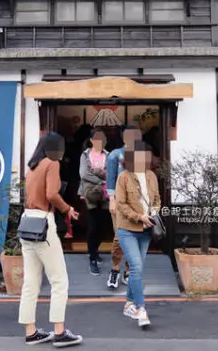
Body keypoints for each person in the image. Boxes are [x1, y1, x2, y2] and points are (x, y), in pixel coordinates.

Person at [18, 132, 83, 347]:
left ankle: (30, 332)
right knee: (59, 280)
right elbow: (52, 194)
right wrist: (68, 209)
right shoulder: (51, 164)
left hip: (26, 222)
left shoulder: (33, 165)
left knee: (30, 282)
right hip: (43, 223)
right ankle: (59, 331)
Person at [115, 142, 161, 328]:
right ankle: (141, 308)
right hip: (127, 228)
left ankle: (128, 304)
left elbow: (156, 199)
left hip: (146, 229)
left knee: (138, 268)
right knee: (135, 266)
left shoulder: (151, 176)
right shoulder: (123, 177)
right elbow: (121, 204)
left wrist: (154, 212)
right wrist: (139, 216)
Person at [105, 127, 142, 289]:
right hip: (119, 203)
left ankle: (128, 271)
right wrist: (111, 199)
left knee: (134, 237)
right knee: (119, 236)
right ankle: (114, 269)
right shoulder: (115, 154)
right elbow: (110, 178)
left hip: (137, 203)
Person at [79, 129, 109, 275]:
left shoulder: (108, 155)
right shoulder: (85, 155)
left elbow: (111, 172)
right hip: (90, 194)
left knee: (103, 226)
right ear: (91, 140)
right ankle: (92, 258)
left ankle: (95, 250)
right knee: (92, 226)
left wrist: (96, 172)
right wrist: (101, 179)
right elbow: (84, 174)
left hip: (105, 195)